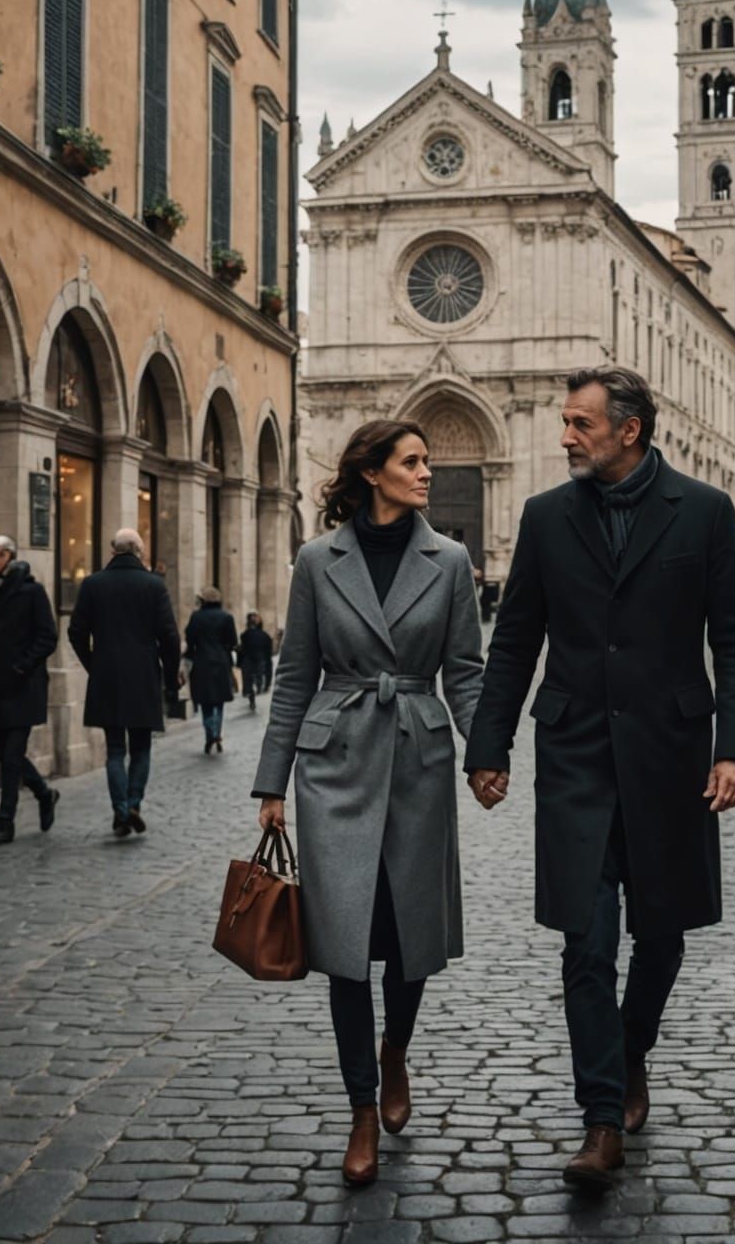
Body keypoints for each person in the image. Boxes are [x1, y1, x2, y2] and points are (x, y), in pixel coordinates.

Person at [465, 367, 735, 1190]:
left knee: (660, 934)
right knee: (585, 941)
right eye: (563, 421)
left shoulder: (703, 512)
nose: (565, 437)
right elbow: (516, 639)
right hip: (575, 758)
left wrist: (734, 749)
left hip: (671, 756)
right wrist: (489, 745)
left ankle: (631, 1053)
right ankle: (601, 1118)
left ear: (629, 430)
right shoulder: (545, 517)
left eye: (579, 424)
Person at [254, 420, 483, 1187]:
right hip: (335, 761)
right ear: (373, 473)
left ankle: (394, 1055)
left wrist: (487, 755)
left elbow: (466, 672)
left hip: (418, 756)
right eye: (413, 461)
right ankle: (360, 1107)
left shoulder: (449, 560)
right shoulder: (318, 562)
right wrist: (270, 783)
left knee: (409, 937)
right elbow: (293, 675)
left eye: (425, 461)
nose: (427, 472)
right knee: (344, 944)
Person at [67, 529, 184, 838]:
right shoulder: (153, 585)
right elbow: (170, 637)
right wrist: (172, 675)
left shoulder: (93, 584)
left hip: (107, 675)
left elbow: (76, 631)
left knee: (115, 749)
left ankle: (120, 811)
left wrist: (94, 664)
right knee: (141, 746)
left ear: (112, 551)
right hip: (144, 674)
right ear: (140, 552)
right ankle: (133, 804)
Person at [0, 535, 59, 847]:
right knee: (8, 756)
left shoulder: (31, 592)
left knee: (11, 754)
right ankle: (45, 794)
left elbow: (48, 637)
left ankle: (5, 822)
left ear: (8, 557)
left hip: (23, 686)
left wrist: (22, 666)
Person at [186, 587, 239, 753]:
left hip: (202, 662)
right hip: (221, 662)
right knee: (219, 702)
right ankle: (216, 732)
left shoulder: (196, 617)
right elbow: (232, 641)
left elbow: (190, 639)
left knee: (205, 702)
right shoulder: (227, 617)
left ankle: (210, 733)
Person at [239, 612, 274, 710]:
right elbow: (269, 655)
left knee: (249, 681)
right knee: (257, 679)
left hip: (249, 661)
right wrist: (267, 683)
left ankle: (251, 695)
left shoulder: (245, 635)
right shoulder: (265, 636)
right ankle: (257, 689)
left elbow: (242, 649)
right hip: (260, 660)